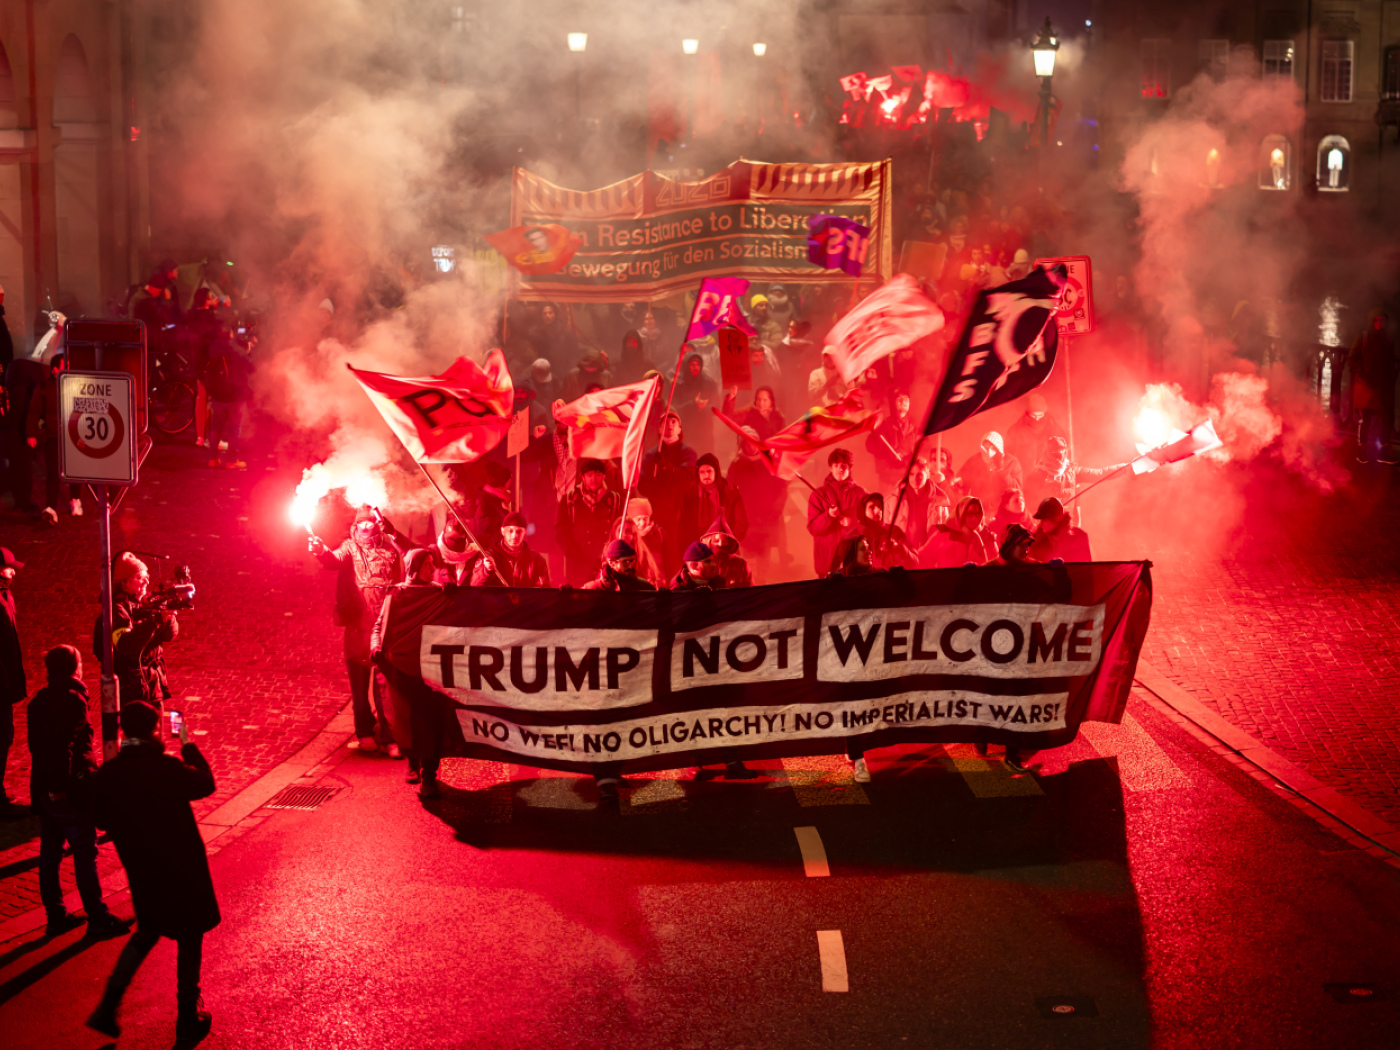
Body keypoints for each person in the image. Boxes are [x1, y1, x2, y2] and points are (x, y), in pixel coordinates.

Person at [87, 701, 218, 1043]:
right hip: (181, 866)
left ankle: (109, 1003)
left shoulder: (111, 774)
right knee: (189, 937)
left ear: (124, 732)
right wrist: (186, 742)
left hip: (142, 869)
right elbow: (206, 783)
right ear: (155, 730)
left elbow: (100, 818)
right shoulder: (166, 767)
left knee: (147, 932)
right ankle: (188, 1011)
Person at [28, 644, 133, 937]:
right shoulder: (74, 700)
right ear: (75, 668)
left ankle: (56, 915)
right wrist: (60, 788)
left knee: (49, 852)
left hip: (43, 787)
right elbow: (64, 747)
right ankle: (97, 916)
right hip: (67, 789)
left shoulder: (39, 700)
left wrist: (46, 788)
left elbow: (37, 748)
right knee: (85, 850)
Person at [310, 507, 409, 755]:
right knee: (359, 682)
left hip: (384, 626)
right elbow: (333, 561)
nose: (366, 528)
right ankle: (364, 732)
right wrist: (321, 551)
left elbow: (411, 554)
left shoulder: (390, 547)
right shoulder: (349, 548)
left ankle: (389, 737)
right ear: (355, 527)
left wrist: (394, 532)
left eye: (371, 523)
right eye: (361, 524)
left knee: (384, 685)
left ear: (379, 525)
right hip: (357, 624)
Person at [93, 552, 179, 713]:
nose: (146, 581)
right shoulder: (117, 610)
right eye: (140, 577)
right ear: (124, 583)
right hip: (132, 687)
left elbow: (169, 635)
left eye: (147, 576)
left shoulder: (142, 605)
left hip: (151, 683)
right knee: (139, 733)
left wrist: (167, 616)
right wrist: (155, 621)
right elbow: (126, 644)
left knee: (154, 733)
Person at [25, 353, 84, 522]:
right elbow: (34, 411)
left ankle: (75, 500)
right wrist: (31, 433)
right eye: (64, 366)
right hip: (54, 435)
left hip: (73, 435)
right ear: (55, 370)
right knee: (53, 473)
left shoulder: (75, 386)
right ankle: (51, 506)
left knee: (76, 471)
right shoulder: (45, 388)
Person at [639, 413, 698, 574]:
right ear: (659, 429)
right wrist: (658, 485)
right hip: (658, 516)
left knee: (680, 561)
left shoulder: (688, 453)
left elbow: (688, 480)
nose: (669, 426)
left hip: (683, 518)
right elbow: (642, 486)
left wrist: (665, 467)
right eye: (665, 422)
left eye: (674, 422)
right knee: (658, 561)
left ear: (680, 428)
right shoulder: (651, 455)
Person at [727, 427, 789, 579]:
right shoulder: (736, 465)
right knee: (748, 553)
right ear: (742, 445)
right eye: (747, 443)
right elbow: (730, 492)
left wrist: (777, 508)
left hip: (766, 517)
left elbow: (782, 488)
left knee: (764, 553)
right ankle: (751, 579)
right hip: (746, 518)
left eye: (753, 442)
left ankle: (762, 580)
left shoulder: (769, 462)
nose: (751, 447)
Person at [556, 459, 623, 587]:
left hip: (605, 563)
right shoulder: (569, 499)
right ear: (583, 477)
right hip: (577, 563)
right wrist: (570, 551)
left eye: (598, 474)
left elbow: (620, 528)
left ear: (604, 476)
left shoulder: (615, 500)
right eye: (589, 475)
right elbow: (560, 529)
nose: (594, 479)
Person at [806, 448, 866, 577]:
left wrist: (853, 521)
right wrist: (828, 516)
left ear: (850, 468)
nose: (840, 469)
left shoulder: (861, 494)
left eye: (844, 465)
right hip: (827, 563)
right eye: (836, 465)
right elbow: (813, 528)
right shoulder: (817, 495)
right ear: (830, 467)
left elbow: (869, 525)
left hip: (854, 563)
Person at [1024, 436, 1124, 513]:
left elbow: (1100, 474)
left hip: (1066, 525)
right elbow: (1029, 504)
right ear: (1049, 453)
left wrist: (1125, 467)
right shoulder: (1037, 475)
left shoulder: (1072, 471)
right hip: (1046, 527)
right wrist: (1048, 491)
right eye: (1057, 452)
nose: (1061, 455)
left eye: (1063, 451)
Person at [203, 325, 255, 470]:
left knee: (216, 427)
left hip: (218, 394)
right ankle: (232, 460)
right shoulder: (237, 350)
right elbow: (251, 367)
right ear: (231, 335)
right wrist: (248, 352)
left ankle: (212, 459)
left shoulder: (212, 348)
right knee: (234, 429)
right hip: (234, 394)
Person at [0, 548, 28, 819]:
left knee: (5, 735)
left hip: (5, 683)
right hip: (0, 685)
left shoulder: (6, 596)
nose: (14, 572)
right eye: (9, 568)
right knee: (2, 735)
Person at [1349, 310, 1397, 464]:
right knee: (1365, 421)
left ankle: (1383, 453)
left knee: (1386, 421)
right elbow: (1352, 358)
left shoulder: (1388, 339)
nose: (1378, 323)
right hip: (1366, 388)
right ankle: (1361, 452)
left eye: (1381, 321)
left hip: (1383, 388)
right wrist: (1362, 374)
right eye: (1376, 320)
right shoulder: (1364, 337)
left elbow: (1395, 360)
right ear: (1371, 321)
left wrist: (1391, 375)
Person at [680, 453, 749, 553]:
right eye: (702, 472)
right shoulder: (690, 495)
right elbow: (684, 525)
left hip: (725, 549)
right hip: (699, 551)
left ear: (716, 471)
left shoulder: (729, 492)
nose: (706, 475)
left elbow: (741, 523)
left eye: (709, 471)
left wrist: (728, 543)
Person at [892, 457, 950, 560]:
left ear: (927, 475)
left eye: (919, 474)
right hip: (903, 556)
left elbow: (945, 532)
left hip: (930, 557)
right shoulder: (895, 499)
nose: (915, 478)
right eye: (911, 474)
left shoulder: (939, 501)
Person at [471, 512, 551, 587]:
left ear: (525, 533)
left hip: (525, 602)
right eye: (510, 531)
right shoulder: (488, 557)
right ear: (502, 531)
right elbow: (475, 585)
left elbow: (544, 591)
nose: (514, 536)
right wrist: (486, 570)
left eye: (519, 531)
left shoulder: (537, 561)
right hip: (497, 602)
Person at [1003, 393, 1065, 480]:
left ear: (1045, 413)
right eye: (1033, 416)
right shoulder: (1016, 430)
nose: (1037, 419)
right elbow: (1007, 455)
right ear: (1027, 413)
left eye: (1040, 415)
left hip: (1047, 477)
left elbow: (1063, 451)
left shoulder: (1053, 428)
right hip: (1023, 476)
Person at [923, 496, 994, 568]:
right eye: (970, 513)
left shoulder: (976, 538)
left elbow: (984, 567)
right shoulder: (942, 535)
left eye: (977, 513)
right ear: (961, 512)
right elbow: (922, 559)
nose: (974, 518)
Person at [867, 392, 919, 486]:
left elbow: (922, 450)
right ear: (894, 403)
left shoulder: (915, 426)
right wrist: (875, 431)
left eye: (906, 400)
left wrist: (907, 459)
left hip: (909, 478)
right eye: (899, 399)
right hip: (888, 479)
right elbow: (873, 448)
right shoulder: (885, 425)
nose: (903, 402)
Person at [672, 350, 718, 453]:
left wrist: (703, 407)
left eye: (698, 365)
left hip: (704, 431)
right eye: (692, 365)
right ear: (686, 365)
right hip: (685, 431)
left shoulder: (709, 383)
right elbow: (673, 408)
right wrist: (692, 404)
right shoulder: (678, 384)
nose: (695, 368)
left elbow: (716, 406)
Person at [856, 493, 916, 570]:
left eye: (879, 506)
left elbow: (915, 561)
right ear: (862, 511)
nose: (878, 511)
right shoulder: (856, 535)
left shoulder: (895, 531)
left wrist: (898, 548)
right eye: (871, 507)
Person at [418, 518, 481, 586]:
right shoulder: (434, 552)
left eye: (459, 539)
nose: (455, 543)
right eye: (451, 538)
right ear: (444, 535)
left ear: (465, 538)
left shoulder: (474, 553)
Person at [1029, 497, 1092, 563]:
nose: (1041, 524)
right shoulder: (1037, 540)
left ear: (1056, 519)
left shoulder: (1080, 538)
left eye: (1044, 519)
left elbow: (1087, 569)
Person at [699, 516, 755, 587]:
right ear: (709, 542)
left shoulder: (740, 565)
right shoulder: (698, 564)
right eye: (716, 541)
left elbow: (750, 589)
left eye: (724, 541)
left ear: (729, 543)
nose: (720, 544)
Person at [583, 539, 658, 592]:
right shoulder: (593, 589)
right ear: (612, 563)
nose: (630, 566)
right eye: (625, 562)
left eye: (632, 561)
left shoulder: (645, 587)